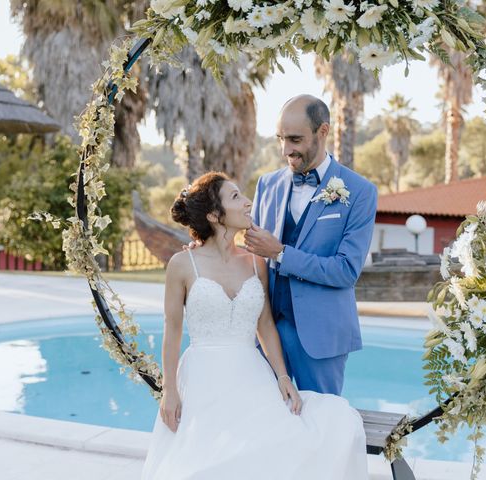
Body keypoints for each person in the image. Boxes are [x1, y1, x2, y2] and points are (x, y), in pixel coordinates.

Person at [141, 172, 368, 479]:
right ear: (213, 215)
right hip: (202, 377)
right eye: (235, 197)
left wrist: (283, 376)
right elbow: (172, 331)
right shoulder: (182, 265)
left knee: (322, 428)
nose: (248, 202)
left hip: (251, 373)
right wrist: (169, 390)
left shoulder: (254, 262)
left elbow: (265, 324)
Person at [244, 95, 378, 395]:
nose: (285, 150)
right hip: (265, 333)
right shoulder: (267, 185)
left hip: (321, 336)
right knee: (261, 418)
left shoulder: (359, 192)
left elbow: (346, 271)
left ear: (323, 131)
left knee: (322, 424)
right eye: (280, 139)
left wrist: (280, 252)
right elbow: (248, 250)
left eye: (295, 139)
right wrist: (204, 249)